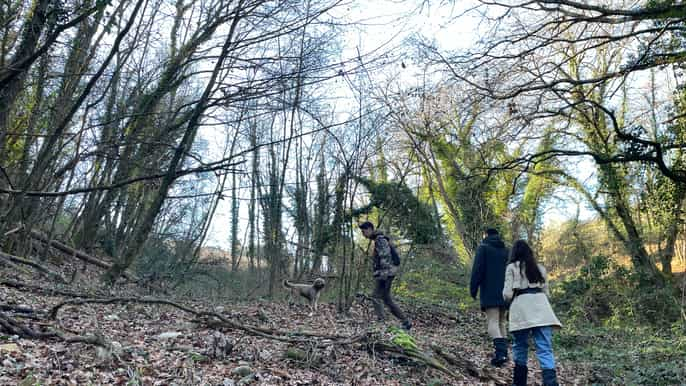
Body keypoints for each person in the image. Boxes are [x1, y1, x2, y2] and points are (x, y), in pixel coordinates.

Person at [503, 239, 562, 386]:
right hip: (542, 309)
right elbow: (547, 293)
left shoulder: (511, 267)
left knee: (520, 346)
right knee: (545, 348)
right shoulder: (540, 268)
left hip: (521, 309)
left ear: (514, 253)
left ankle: (519, 382)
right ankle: (550, 383)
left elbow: (507, 295)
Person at [359, 221, 412, 331]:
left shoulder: (380, 239)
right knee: (386, 299)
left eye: (364, 231)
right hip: (388, 273)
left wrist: (382, 274)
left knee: (375, 296)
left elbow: (385, 257)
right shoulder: (379, 239)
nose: (363, 234)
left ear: (370, 229)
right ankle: (406, 322)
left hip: (386, 273)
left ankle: (382, 323)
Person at [470, 227, 510, 367]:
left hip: (490, 291)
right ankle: (504, 354)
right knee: (501, 322)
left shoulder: (484, 248)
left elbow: (478, 270)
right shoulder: (506, 250)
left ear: (485, 234)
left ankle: (500, 354)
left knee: (492, 322)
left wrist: (473, 289)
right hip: (506, 292)